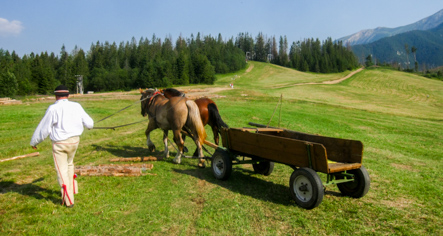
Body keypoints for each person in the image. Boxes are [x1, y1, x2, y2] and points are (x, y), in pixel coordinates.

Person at [30, 85, 94, 208]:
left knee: (61, 171)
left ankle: (69, 200)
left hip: (59, 144)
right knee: (70, 165)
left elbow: (44, 128)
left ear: (56, 96)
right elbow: (90, 123)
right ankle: (72, 189)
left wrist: (34, 142)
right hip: (74, 142)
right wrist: (88, 126)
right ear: (68, 95)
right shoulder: (76, 106)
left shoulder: (53, 108)